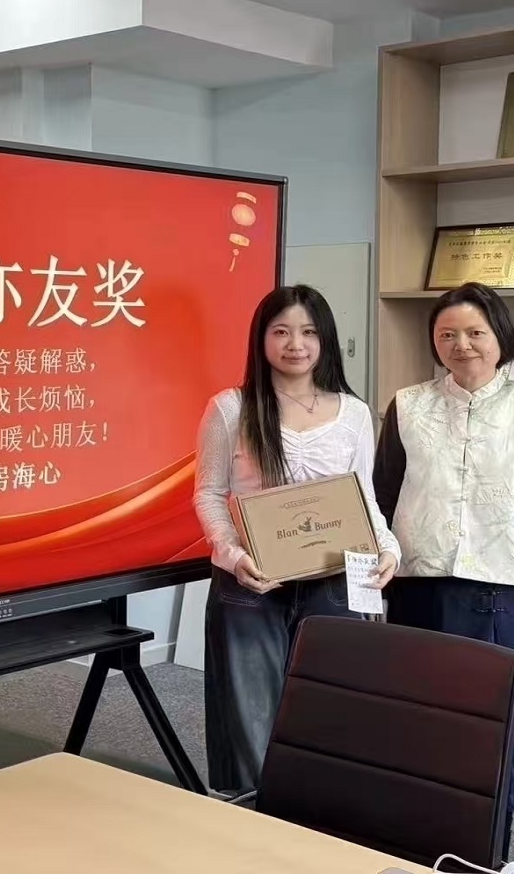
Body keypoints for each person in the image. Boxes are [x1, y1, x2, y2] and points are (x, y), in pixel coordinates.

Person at [371, 281, 514, 859]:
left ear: (499, 337)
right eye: (447, 334)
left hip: (506, 592)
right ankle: (417, 847)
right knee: (421, 721)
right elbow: (382, 497)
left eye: (474, 333)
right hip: (420, 588)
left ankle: (490, 855)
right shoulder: (408, 405)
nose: (461, 344)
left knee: (497, 727)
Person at [194, 284, 401, 794]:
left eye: (308, 332)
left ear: (324, 339)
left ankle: (319, 814)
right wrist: (233, 555)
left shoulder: (353, 412)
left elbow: (363, 497)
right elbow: (209, 493)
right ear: (261, 338)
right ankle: (252, 815)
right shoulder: (231, 408)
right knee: (249, 714)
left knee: (330, 705)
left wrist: (388, 548)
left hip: (333, 579)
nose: (295, 344)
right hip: (251, 583)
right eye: (281, 331)